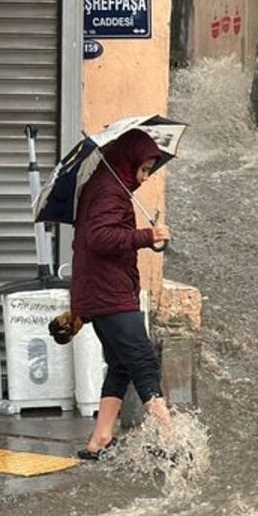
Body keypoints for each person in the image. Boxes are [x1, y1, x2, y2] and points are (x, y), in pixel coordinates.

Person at [72, 130, 173, 459]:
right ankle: (171, 437)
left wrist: (146, 237)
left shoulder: (107, 188)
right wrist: (146, 235)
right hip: (109, 294)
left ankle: (100, 439)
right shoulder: (108, 191)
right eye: (143, 169)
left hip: (105, 291)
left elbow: (107, 235)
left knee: (120, 365)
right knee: (143, 362)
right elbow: (100, 238)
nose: (144, 178)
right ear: (127, 161)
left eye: (148, 171)